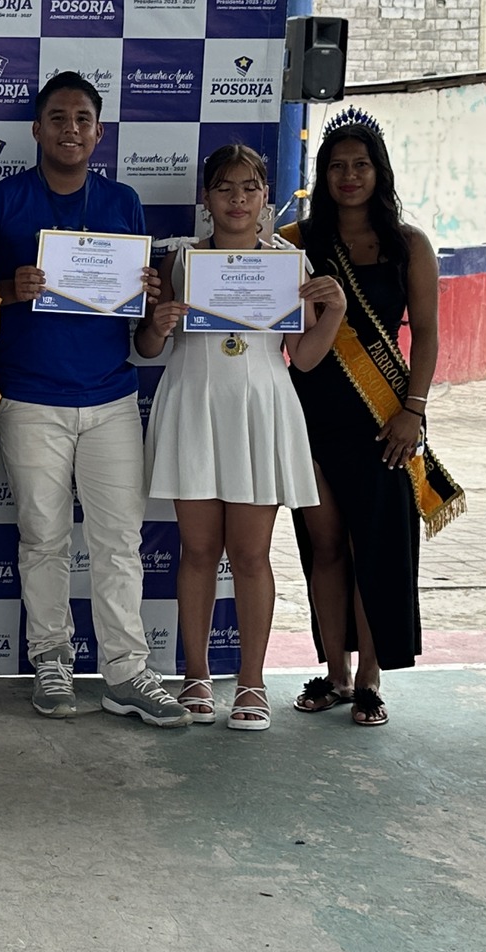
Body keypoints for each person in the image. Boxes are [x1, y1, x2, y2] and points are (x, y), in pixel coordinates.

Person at [0, 71, 179, 727]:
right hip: (29, 397)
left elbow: (139, 324)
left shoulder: (122, 202)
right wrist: (12, 287)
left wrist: (145, 295)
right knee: (44, 538)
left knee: (119, 541)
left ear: (99, 132)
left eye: (83, 119)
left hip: (111, 394)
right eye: (58, 118)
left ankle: (127, 672)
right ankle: (52, 662)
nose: (71, 129)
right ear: (37, 129)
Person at [140, 143, 343, 731]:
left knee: (251, 555)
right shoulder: (178, 262)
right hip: (194, 406)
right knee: (199, 551)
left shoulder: (290, 264)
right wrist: (156, 326)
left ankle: (252, 681)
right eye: (225, 188)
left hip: (260, 410)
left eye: (249, 188)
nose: (237, 199)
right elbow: (147, 348)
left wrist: (335, 311)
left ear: (265, 198)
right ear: (206, 197)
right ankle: (196, 674)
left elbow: (305, 357)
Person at [279, 110, 464, 728]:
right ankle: (334, 672)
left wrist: (414, 410)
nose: (349, 176)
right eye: (336, 166)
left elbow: (428, 336)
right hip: (310, 414)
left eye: (361, 165)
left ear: (380, 172)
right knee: (325, 545)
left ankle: (369, 680)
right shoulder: (296, 243)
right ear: (322, 175)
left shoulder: (409, 245)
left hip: (385, 421)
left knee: (374, 548)